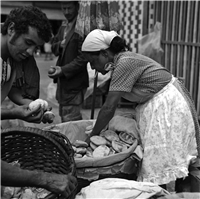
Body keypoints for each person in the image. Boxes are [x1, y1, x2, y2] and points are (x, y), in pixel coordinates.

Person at [81, 29, 200, 186]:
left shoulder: (124, 63)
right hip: (159, 102)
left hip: (168, 104)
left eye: (92, 62)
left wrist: (93, 135)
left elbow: (109, 107)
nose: (93, 67)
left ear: (104, 54)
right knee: (168, 162)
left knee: (171, 163)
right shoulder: (121, 61)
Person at [0, 6, 77, 197]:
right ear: (11, 29)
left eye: (35, 47)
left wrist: (20, 109)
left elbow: (12, 89)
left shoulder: (9, 59)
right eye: (28, 42)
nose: (30, 51)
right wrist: (45, 179)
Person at [50, 0, 89, 122]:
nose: (66, 12)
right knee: (64, 115)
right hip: (63, 83)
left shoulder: (82, 26)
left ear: (77, 7)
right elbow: (53, 45)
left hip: (75, 83)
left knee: (71, 118)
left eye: (69, 8)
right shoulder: (63, 25)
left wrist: (63, 70)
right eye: (64, 8)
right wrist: (59, 45)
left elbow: (83, 57)